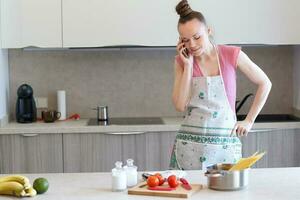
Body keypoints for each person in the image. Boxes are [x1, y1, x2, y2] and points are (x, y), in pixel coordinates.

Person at [169, 0, 272, 170]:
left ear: (209, 31)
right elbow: (180, 105)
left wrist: (249, 121)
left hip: (224, 149)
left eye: (197, 37)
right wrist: (188, 65)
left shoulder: (231, 54)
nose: (192, 45)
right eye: (186, 40)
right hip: (189, 149)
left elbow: (265, 83)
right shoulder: (182, 62)